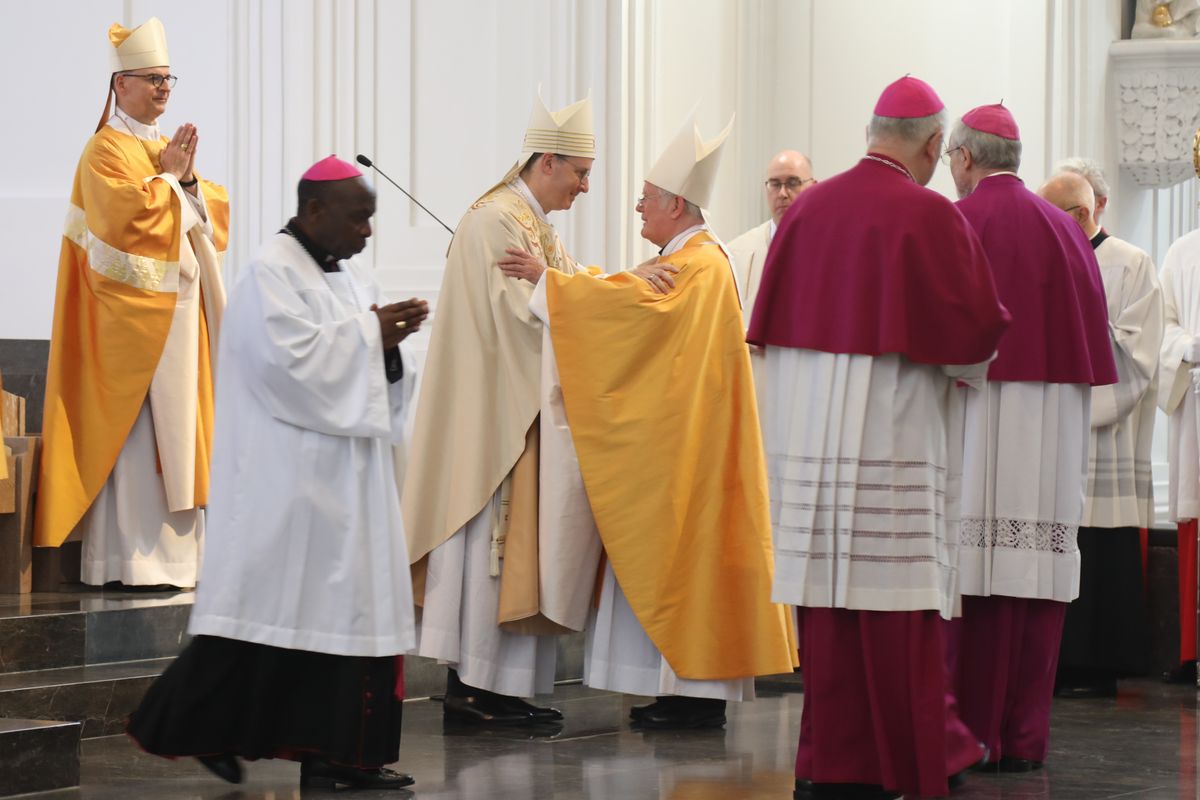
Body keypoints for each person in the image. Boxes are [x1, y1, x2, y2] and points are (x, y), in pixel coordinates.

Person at [748, 76, 1011, 799]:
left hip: (810, 447)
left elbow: (772, 334)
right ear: (933, 144)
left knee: (829, 621)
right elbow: (974, 332)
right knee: (900, 622)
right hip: (891, 440)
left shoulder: (804, 213)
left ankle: (831, 766)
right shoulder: (928, 214)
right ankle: (913, 762)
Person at [127, 156, 426, 790]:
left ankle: (344, 759)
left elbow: (358, 360)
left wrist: (387, 348)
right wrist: (370, 338)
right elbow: (292, 367)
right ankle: (200, 730)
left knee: (338, 628)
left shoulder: (344, 277)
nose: (367, 233)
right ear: (315, 211)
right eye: (358, 218)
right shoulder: (270, 275)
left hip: (347, 487)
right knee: (274, 625)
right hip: (291, 486)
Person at [499, 112, 796, 731]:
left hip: (689, 452)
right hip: (683, 441)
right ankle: (681, 693)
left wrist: (550, 285)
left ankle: (692, 697)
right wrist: (570, 284)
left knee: (680, 562)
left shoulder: (700, 265)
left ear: (677, 205)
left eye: (646, 201)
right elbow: (632, 299)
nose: (638, 210)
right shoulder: (688, 261)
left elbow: (639, 319)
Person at [403, 91, 603, 726]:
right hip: (496, 422)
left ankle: (501, 689)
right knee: (493, 551)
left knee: (515, 551)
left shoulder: (530, 223)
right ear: (547, 162)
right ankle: (477, 689)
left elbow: (564, 285)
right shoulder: (496, 221)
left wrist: (610, 290)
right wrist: (567, 293)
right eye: (580, 173)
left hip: (519, 414)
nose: (586, 187)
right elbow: (523, 321)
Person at [943, 104, 1116, 772]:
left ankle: (968, 733)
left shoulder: (957, 223)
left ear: (963, 158)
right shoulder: (1070, 231)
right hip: (1052, 425)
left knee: (974, 576)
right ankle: (1021, 738)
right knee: (1034, 577)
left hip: (977, 415)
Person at [34, 17, 228, 589]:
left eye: (169, 80)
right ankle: (128, 562)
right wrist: (170, 184)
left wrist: (187, 184)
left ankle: (182, 561)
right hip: (128, 328)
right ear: (120, 84)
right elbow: (127, 224)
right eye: (152, 79)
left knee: (179, 431)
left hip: (178, 322)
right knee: (138, 440)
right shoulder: (104, 151)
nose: (163, 89)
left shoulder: (158, 149)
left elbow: (210, 221)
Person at [1039, 169, 1163, 698]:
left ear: (1081, 213)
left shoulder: (1131, 263)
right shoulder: (1045, 258)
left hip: (1101, 438)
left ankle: (1100, 664)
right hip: (1049, 433)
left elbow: (1139, 352)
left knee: (1101, 549)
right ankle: (1055, 664)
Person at [1158, 216, 1200, 686]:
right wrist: (1189, 345)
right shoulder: (1183, 251)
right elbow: (1161, 326)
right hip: (1195, 401)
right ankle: (1191, 651)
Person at [727, 149, 816, 326]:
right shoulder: (736, 253)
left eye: (793, 183)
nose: (782, 193)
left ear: (813, 186)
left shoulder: (834, 248)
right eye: (775, 184)